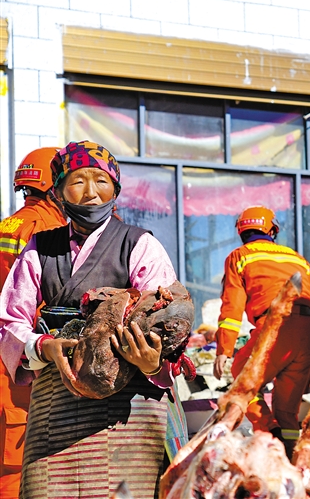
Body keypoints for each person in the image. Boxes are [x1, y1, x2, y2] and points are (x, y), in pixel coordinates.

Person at [0, 140, 186, 498]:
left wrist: (152, 361)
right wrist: (42, 346)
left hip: (130, 408)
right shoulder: (39, 247)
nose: (90, 193)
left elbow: (167, 318)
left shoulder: (140, 244)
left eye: (101, 181)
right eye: (77, 181)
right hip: (56, 401)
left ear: (115, 189)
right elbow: (10, 322)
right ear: (58, 191)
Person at [213, 206, 310, 458]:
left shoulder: (239, 256)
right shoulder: (295, 257)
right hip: (308, 332)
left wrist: (224, 349)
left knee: (241, 379)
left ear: (242, 230)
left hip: (274, 327)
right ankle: (291, 460)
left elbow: (232, 306)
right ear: (272, 230)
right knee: (287, 411)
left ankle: (269, 433)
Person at [0, 147, 66, 498]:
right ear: (54, 187)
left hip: (6, 355)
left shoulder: (7, 224)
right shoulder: (49, 229)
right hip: (21, 363)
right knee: (18, 464)